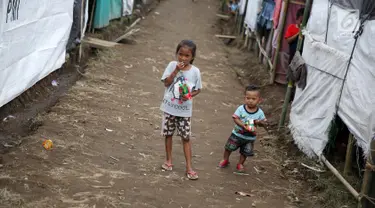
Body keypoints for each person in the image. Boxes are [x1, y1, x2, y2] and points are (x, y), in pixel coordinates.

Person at [160, 40, 202, 180]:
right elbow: (166, 83)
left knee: (186, 137)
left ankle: (189, 167)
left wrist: (188, 96)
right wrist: (176, 71)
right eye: (180, 54)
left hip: (184, 111)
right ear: (177, 54)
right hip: (169, 108)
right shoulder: (172, 65)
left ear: (192, 57)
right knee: (168, 134)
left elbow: (198, 89)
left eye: (187, 56)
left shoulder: (195, 72)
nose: (183, 58)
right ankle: (168, 160)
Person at [218, 85, 267, 173]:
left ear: (259, 100)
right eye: (248, 98)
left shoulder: (260, 112)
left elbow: (264, 122)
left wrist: (259, 122)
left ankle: (240, 163)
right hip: (237, 134)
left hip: (249, 138)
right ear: (244, 98)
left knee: (245, 152)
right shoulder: (241, 109)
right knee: (229, 147)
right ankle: (225, 159)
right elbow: (235, 118)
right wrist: (243, 125)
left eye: (253, 99)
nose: (250, 101)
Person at [285, 7, 305, 102]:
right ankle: (289, 95)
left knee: (299, 76)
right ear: (297, 19)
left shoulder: (306, 32)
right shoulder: (292, 28)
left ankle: (295, 97)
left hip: (303, 57)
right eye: (301, 21)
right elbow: (288, 40)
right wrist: (298, 34)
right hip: (293, 56)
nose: (302, 23)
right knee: (291, 74)